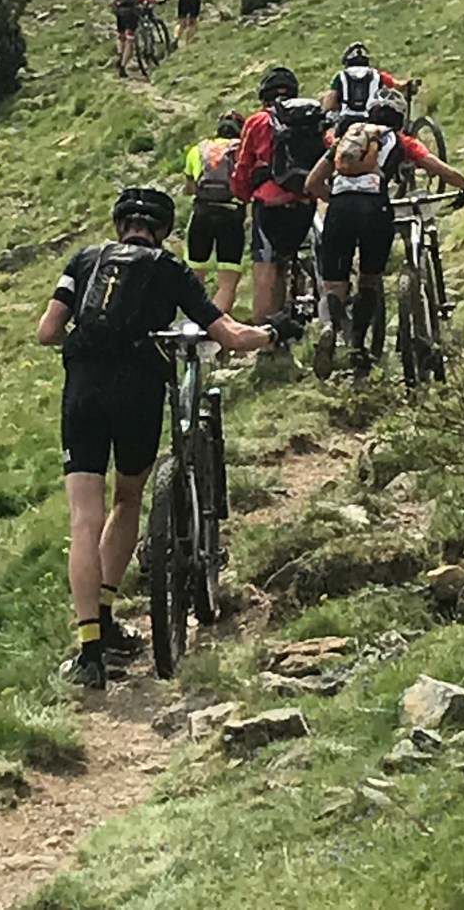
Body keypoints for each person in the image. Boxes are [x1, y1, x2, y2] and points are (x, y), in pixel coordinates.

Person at [37, 186, 305, 688]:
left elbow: (47, 332)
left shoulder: (85, 260)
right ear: (163, 230)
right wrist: (274, 330)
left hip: (83, 391)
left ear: (119, 225)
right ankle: (109, 611)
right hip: (137, 392)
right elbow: (229, 335)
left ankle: (90, 649)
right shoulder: (169, 268)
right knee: (127, 500)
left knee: (83, 520)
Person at [304, 87, 464, 379]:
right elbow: (439, 168)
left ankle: (328, 327)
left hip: (340, 210)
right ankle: (358, 347)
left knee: (333, 285)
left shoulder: (346, 138)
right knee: (369, 279)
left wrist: (336, 198)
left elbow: (312, 183)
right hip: (376, 210)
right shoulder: (401, 141)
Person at [231, 66, 322, 322]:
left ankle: (265, 330)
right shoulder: (309, 118)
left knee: (266, 266)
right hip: (304, 201)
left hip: (270, 203)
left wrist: (242, 194)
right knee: (294, 255)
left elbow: (243, 166)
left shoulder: (257, 122)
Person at [183, 111, 246, 313]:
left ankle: (195, 320)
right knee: (227, 281)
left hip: (202, 213)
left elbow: (190, 188)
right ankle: (217, 324)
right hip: (231, 214)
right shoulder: (242, 150)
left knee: (195, 274)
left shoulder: (198, 149)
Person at [322, 41, 414, 130]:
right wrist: (408, 83)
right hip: (372, 121)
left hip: (346, 121)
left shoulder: (340, 76)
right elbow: (398, 85)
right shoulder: (378, 75)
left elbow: (329, 104)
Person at [112, 0, 158, 78]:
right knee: (130, 40)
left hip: (121, 12)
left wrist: (115, 10)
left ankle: (120, 54)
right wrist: (159, 0)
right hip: (132, 12)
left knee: (121, 36)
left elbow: (113, 1)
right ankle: (123, 66)